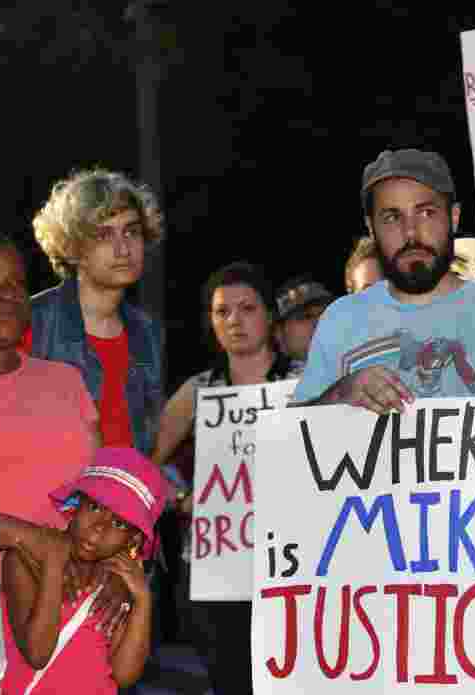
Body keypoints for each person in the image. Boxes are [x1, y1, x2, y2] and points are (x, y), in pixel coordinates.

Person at [0, 230, 99, 694]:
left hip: (70, 595)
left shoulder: (65, 381)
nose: (5, 295)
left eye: (14, 283)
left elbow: (101, 491)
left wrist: (108, 559)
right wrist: (30, 540)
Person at [293, 147, 475, 410]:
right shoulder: (340, 320)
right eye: (392, 217)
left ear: (453, 218)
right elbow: (294, 438)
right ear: (371, 228)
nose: (411, 233)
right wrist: (339, 394)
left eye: (426, 213)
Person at [152, 261, 292, 695]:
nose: (234, 321)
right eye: (221, 312)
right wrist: (179, 498)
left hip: (289, 567)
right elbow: (146, 460)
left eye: (247, 308)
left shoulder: (304, 381)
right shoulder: (198, 390)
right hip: (217, 573)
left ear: (269, 316)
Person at [0, 447, 167, 694]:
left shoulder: (120, 582)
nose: (99, 528)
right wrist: (53, 567)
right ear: (76, 504)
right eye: (95, 508)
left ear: (133, 540)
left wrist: (142, 600)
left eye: (119, 523)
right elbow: (37, 654)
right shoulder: (26, 560)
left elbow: (124, 675)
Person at [28, 168, 165, 456]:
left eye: (131, 231)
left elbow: (147, 439)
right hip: (50, 498)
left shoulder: (146, 331)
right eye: (104, 235)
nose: (123, 249)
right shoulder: (30, 320)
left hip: (127, 495)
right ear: (72, 247)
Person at [273, 275, 334, 378]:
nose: (319, 322)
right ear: (279, 335)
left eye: (326, 314)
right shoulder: (270, 390)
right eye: (306, 316)